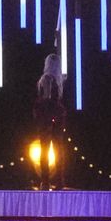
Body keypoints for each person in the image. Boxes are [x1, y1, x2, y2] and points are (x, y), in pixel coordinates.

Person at [34, 54, 67, 189]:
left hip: (47, 116)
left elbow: (46, 99)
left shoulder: (46, 79)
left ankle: (46, 181)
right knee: (58, 148)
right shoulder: (59, 80)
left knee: (45, 148)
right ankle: (59, 180)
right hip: (58, 115)